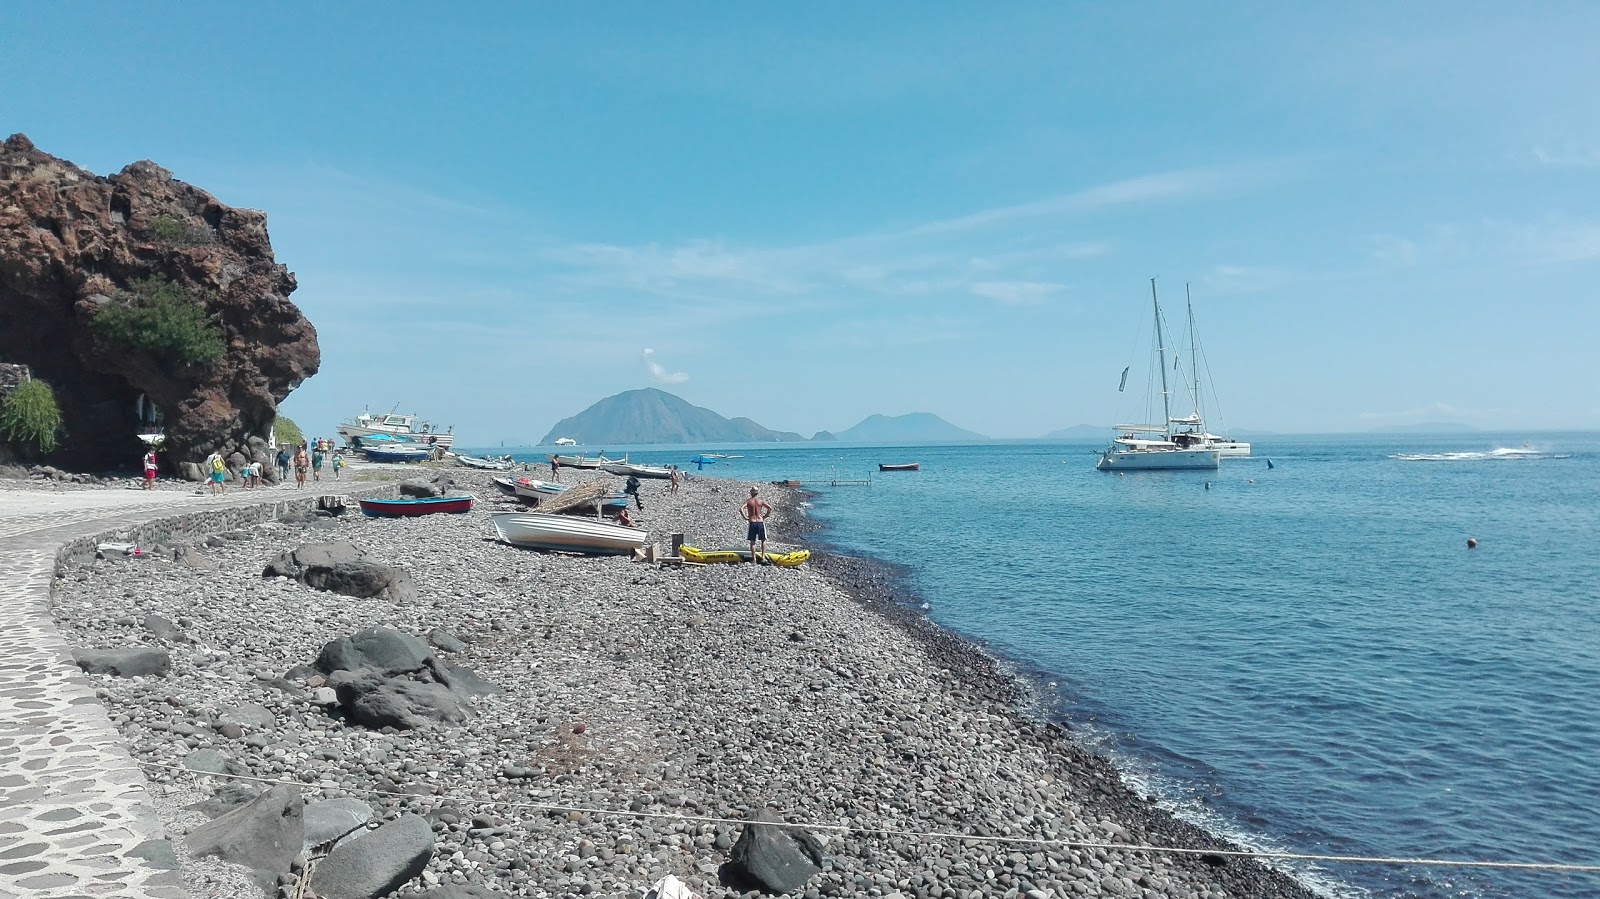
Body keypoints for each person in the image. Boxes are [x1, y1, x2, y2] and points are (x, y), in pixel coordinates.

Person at [740, 486, 772, 562]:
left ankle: (754, 558)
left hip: (752, 522)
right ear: (757, 493)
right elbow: (770, 508)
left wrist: (745, 517)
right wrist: (765, 516)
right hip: (760, 522)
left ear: (751, 492)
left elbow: (741, 509)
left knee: (752, 541)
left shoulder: (748, 501)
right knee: (763, 540)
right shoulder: (760, 501)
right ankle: (763, 557)